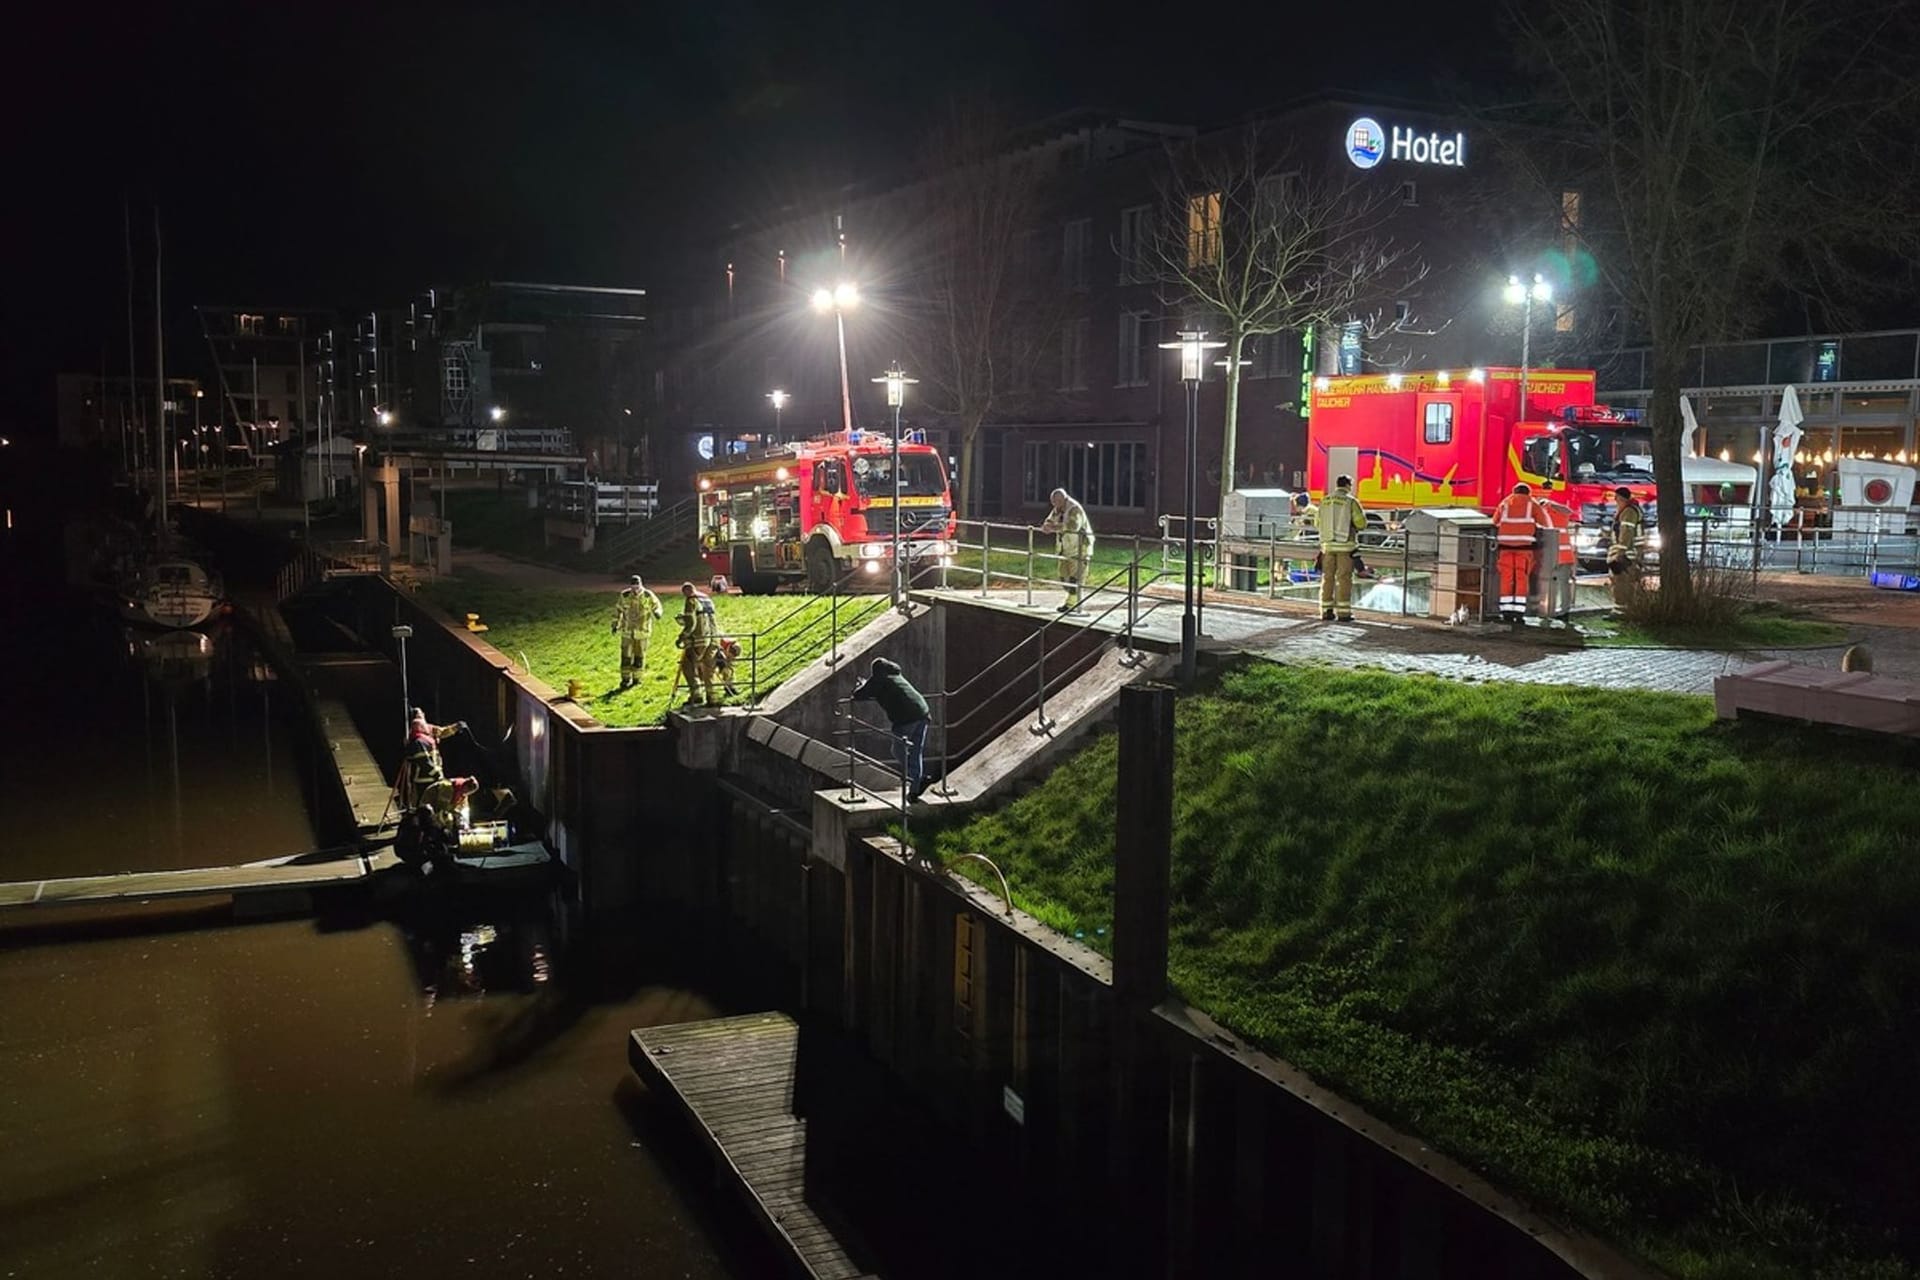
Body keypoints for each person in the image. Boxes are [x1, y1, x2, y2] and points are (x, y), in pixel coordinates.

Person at [851, 656, 932, 801]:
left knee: (897, 751)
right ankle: (916, 786)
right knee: (916, 752)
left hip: (906, 718)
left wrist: (864, 685)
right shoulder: (896, 674)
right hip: (923, 712)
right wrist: (869, 685)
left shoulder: (879, 680)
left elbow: (858, 694)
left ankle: (916, 780)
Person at [400, 707, 477, 823]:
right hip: (423, 777)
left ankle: (433, 822)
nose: (422, 716)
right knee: (423, 802)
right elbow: (423, 761)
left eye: (422, 714)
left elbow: (441, 731)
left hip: (436, 772)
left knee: (435, 799)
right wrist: (436, 773)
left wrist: (455, 727)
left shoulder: (428, 729)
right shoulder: (417, 739)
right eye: (419, 715)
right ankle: (421, 824)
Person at [1492, 481, 1552, 623]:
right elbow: (1546, 524)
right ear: (1528, 493)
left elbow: (1494, 522)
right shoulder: (1532, 504)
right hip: (1524, 548)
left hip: (1504, 547)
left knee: (1506, 578)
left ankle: (1506, 611)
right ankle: (1518, 612)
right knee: (1521, 578)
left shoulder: (1504, 503)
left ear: (1514, 491)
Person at [1314, 475, 1365, 621]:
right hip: (1345, 547)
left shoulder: (1325, 500)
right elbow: (1361, 523)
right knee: (1344, 579)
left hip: (1327, 547)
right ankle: (1343, 613)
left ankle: (1326, 611)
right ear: (1348, 485)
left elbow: (1317, 523)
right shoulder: (1351, 502)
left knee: (1327, 578)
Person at [1041, 487, 1094, 612]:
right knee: (1063, 576)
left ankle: (1071, 605)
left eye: (1056, 502)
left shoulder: (1074, 509)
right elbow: (1050, 519)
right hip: (1065, 549)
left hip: (1080, 548)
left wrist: (1053, 528)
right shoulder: (1059, 508)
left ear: (1063, 499)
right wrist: (1047, 525)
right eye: (1053, 502)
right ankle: (1073, 600)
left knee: (1075, 579)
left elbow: (1073, 526)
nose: (1054, 505)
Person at [611, 574, 663, 690]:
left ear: (641, 585)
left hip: (642, 632)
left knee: (639, 657)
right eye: (633, 587)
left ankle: (637, 679)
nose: (635, 590)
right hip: (627, 632)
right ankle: (625, 679)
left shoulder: (648, 595)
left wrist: (658, 613)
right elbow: (617, 610)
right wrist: (615, 625)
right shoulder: (624, 595)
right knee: (626, 657)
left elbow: (657, 605)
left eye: (637, 587)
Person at [1537, 479, 1578, 622]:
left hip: (1553, 556)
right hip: (1563, 556)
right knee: (1562, 584)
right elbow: (1568, 511)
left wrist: (1548, 504)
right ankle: (1562, 610)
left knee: (1550, 584)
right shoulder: (1558, 515)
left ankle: (1549, 610)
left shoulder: (1544, 514)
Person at [676, 582, 721, 708]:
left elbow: (691, 623)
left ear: (687, 591)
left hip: (699, 640)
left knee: (688, 666)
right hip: (713, 639)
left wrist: (682, 637)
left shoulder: (691, 601)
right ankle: (712, 697)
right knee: (709, 669)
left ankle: (697, 695)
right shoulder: (707, 599)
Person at [1607, 485, 1646, 602]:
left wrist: (1620, 552)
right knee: (1627, 580)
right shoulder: (1630, 510)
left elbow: (1626, 532)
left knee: (1621, 580)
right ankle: (1629, 606)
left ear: (1621, 498)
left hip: (1626, 553)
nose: (1615, 501)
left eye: (1616, 498)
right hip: (1630, 552)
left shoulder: (1628, 512)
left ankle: (1621, 608)